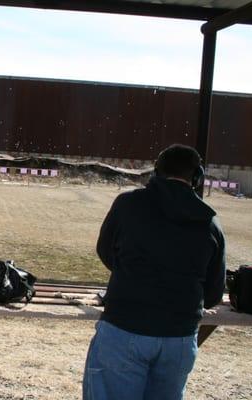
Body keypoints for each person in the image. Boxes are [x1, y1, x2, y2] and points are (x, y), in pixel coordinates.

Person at [83, 144, 226, 400]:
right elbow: (214, 292)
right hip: (179, 338)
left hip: (125, 326)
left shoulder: (128, 204)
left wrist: (133, 276)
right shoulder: (209, 222)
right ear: (197, 177)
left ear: (156, 171)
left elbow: (105, 250)